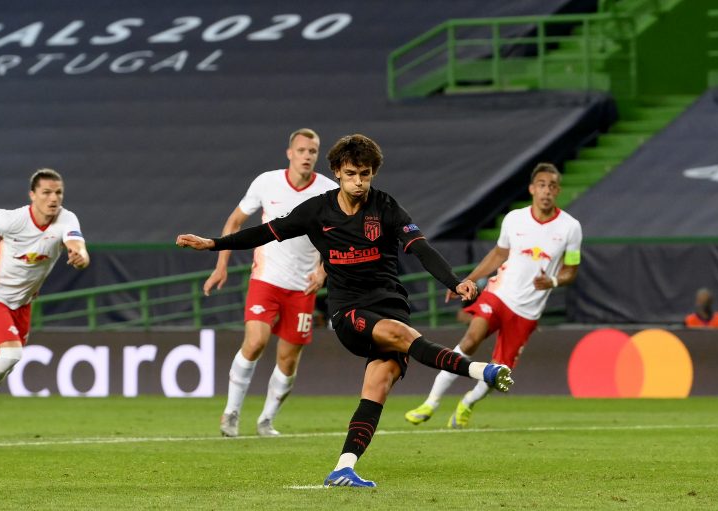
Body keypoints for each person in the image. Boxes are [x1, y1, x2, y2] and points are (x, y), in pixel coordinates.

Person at [177, 134, 513, 488]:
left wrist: (453, 281)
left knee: (378, 385)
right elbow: (265, 232)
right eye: (351, 173)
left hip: (390, 302)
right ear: (337, 171)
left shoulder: (385, 207)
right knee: (400, 336)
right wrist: (215, 244)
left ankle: (344, 467)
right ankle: (481, 370)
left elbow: (420, 246)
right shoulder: (317, 210)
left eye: (365, 174)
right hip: (349, 310)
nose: (358, 182)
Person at [405, 163, 582, 429]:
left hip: (528, 311)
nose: (547, 191)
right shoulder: (514, 219)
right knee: (471, 339)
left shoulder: (570, 227)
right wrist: (467, 281)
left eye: (552, 186)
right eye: (542, 185)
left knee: (500, 370)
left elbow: (571, 270)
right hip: (499, 294)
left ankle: (468, 402)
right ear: (532, 189)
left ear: (558, 191)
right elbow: (499, 254)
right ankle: (431, 402)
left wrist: (554, 280)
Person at [203, 128, 338, 438]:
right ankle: (231, 413)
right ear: (289, 153)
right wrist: (221, 265)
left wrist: (322, 270)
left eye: (312, 151)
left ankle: (266, 420)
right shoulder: (267, 182)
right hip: (267, 278)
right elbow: (235, 222)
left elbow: (337, 238)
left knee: (288, 359)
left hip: (303, 286)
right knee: (255, 342)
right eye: (301, 150)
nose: (307, 156)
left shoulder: (329, 191)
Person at [0, 168, 89, 441]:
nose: (53, 198)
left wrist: (80, 255)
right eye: (46, 192)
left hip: (22, 303)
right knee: (11, 355)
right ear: (32, 195)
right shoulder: (11, 219)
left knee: (4, 368)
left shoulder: (66, 218)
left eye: (58, 192)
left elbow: (77, 243)